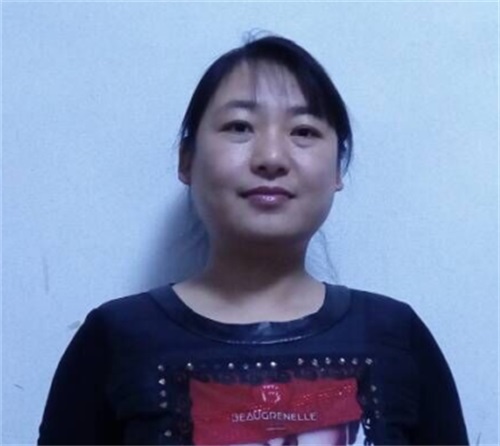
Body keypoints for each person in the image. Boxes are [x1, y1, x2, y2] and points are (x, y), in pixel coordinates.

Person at [38, 34, 469, 445]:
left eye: (304, 131)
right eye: (239, 126)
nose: (271, 158)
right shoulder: (115, 339)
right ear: (186, 161)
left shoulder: (396, 335)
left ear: (338, 170)